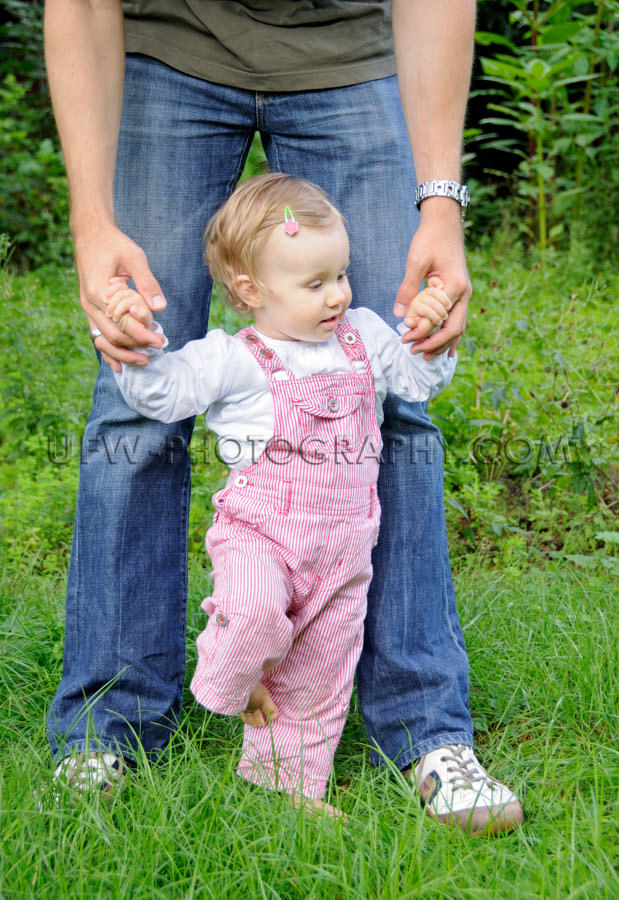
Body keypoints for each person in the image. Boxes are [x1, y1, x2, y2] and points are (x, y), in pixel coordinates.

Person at [44, 0, 524, 834]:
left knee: (397, 404)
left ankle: (426, 730)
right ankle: (106, 727)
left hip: (349, 57)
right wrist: (92, 220)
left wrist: (439, 204)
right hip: (165, 49)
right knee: (132, 401)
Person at [108, 172, 455, 814]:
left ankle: (283, 786)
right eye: (316, 284)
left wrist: (434, 336)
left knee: (321, 676)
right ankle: (229, 681)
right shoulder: (237, 359)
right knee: (255, 611)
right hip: (262, 533)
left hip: (345, 549)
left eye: (342, 275)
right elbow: (166, 393)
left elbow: (414, 381)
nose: (338, 296)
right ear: (250, 290)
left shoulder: (366, 336)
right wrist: (133, 354)